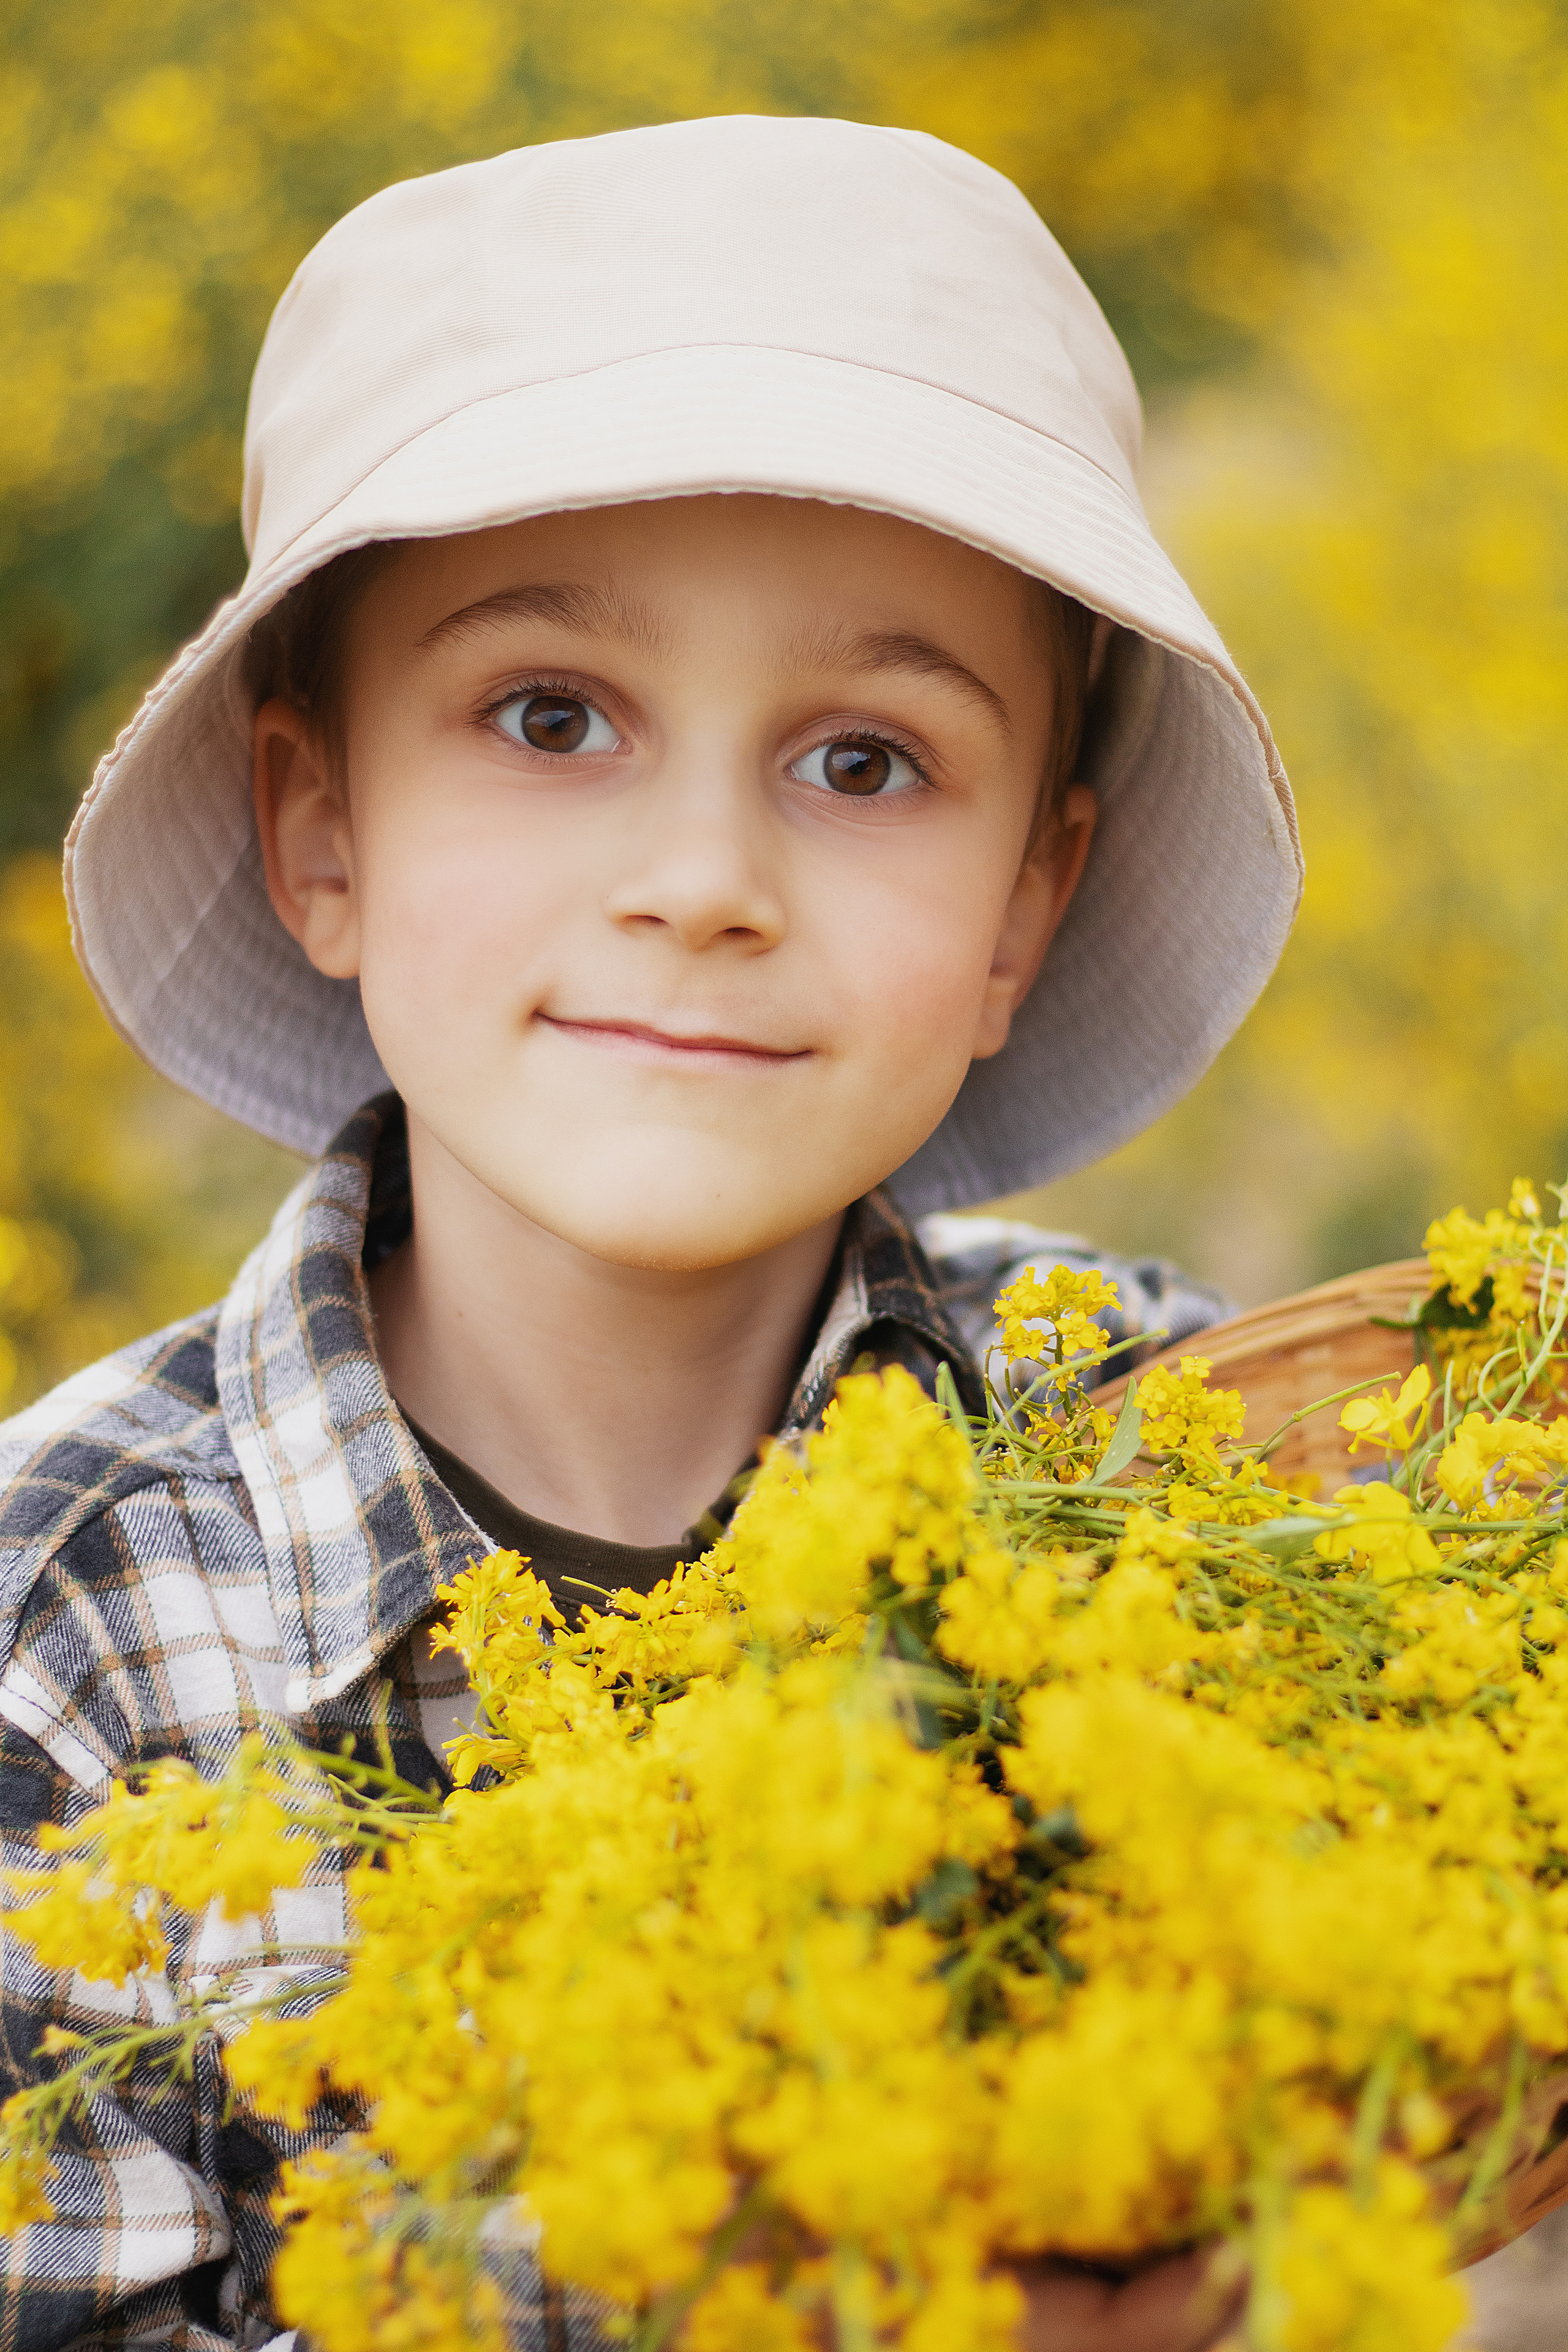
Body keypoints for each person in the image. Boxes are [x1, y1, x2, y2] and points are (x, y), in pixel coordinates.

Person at [0, 118, 1299, 2352]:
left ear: (1027, 908)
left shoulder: (1179, 1465)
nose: (703, 877)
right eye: (550, 717)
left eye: (866, 762)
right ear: (319, 829)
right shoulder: (73, 1655)